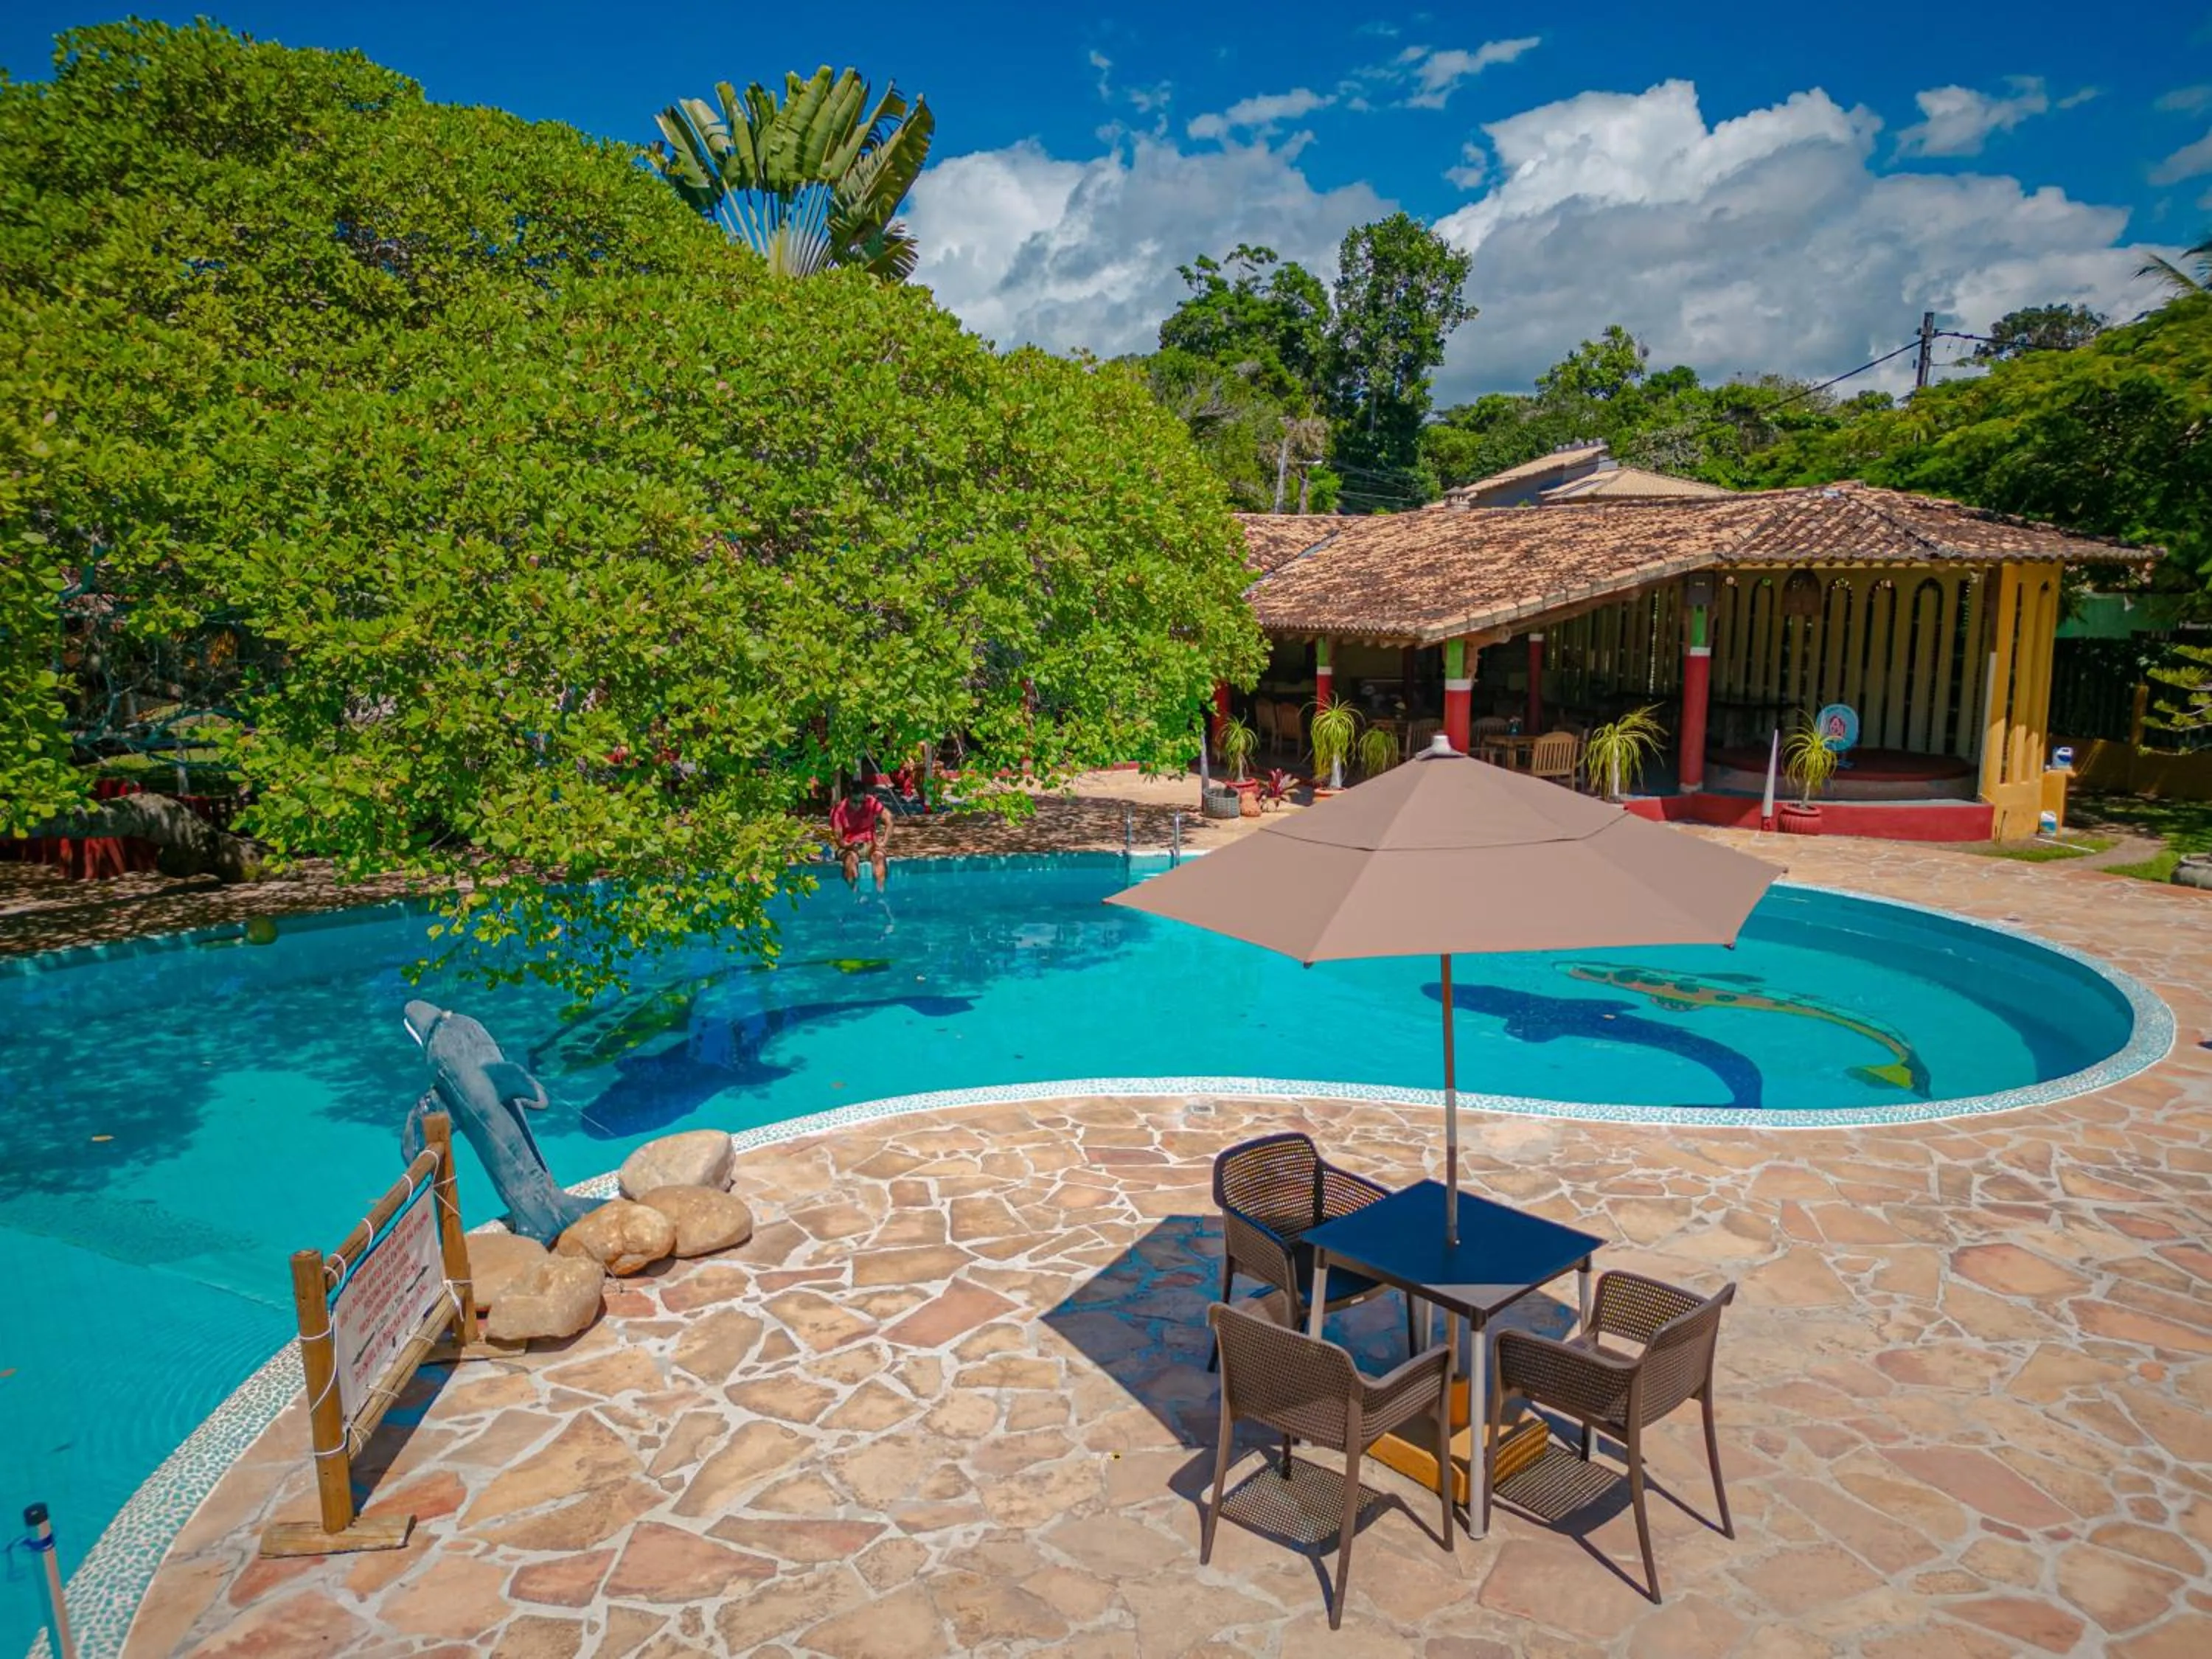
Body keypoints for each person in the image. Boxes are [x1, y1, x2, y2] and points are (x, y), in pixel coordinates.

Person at [831, 787, 891, 888]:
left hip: (870, 845)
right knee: (850, 860)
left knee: (879, 857)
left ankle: (880, 895)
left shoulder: (871, 802)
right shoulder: (839, 810)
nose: (858, 805)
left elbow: (889, 820)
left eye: (861, 802)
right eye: (855, 802)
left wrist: (883, 842)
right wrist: (848, 845)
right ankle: (853, 895)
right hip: (848, 847)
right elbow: (838, 838)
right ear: (848, 798)